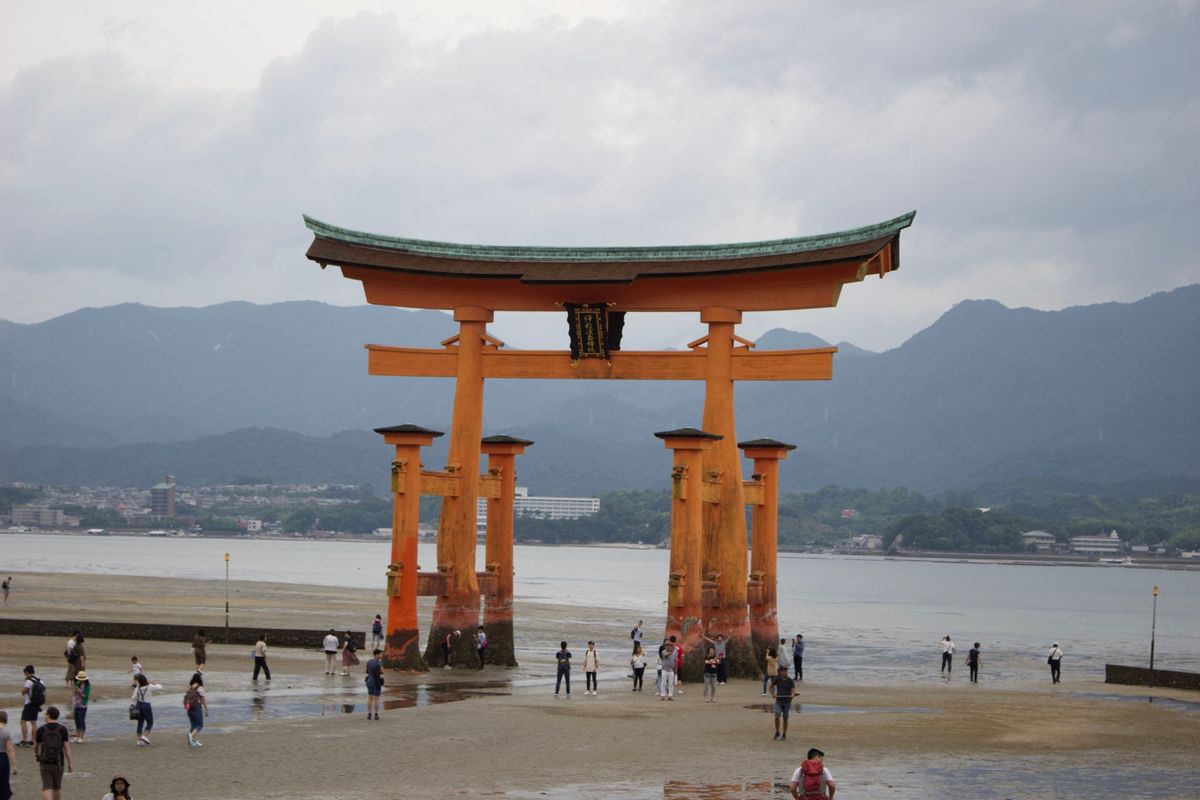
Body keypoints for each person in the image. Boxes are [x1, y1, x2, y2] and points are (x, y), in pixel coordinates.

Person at [35, 706, 73, 800]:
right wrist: (70, 764)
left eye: (45, 714)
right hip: (59, 761)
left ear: (48, 715)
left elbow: (35, 746)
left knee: (46, 786)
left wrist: (37, 754)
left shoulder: (41, 729)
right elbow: (67, 748)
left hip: (45, 761)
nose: (45, 716)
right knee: (57, 786)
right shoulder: (63, 729)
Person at [131, 673, 162, 745]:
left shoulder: (137, 688)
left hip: (138, 705)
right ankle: (144, 736)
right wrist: (153, 683)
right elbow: (160, 687)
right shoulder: (149, 686)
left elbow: (133, 698)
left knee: (140, 722)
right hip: (146, 705)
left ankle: (139, 741)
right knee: (150, 722)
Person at [20, 664, 45, 746]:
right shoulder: (39, 680)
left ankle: (24, 740)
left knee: (23, 721)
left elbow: (23, 692)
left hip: (29, 703)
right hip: (37, 703)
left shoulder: (28, 681)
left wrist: (25, 683)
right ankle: (33, 740)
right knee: (33, 722)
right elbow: (44, 689)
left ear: (27, 672)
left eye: (25, 673)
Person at [771, 665, 796, 740]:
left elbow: (793, 690)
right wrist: (773, 694)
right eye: (783, 671)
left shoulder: (790, 681)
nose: (785, 672)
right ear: (780, 672)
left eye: (786, 671)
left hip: (787, 702)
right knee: (777, 716)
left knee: (785, 718)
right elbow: (770, 687)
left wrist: (792, 694)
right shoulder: (777, 679)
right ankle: (777, 732)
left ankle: (784, 734)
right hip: (778, 701)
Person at [185, 672, 208, 746]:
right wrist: (206, 709)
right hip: (196, 708)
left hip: (189, 708)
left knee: (193, 725)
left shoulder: (189, 688)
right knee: (200, 725)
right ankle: (191, 736)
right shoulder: (200, 688)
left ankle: (192, 741)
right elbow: (203, 700)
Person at [0, 710, 17, 800]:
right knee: (4, 783)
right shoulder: (6, 733)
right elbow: (10, 750)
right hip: (2, 758)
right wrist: (14, 766)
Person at [70, 671, 90, 743]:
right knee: (77, 721)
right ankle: (77, 736)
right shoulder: (77, 683)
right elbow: (74, 694)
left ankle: (81, 737)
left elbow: (86, 697)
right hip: (76, 704)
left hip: (83, 705)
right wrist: (75, 690)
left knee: (81, 721)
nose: (80, 680)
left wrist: (79, 691)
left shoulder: (87, 686)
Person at [365, 648, 384, 720]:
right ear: (377, 655)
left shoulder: (369, 661)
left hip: (369, 681)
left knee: (370, 698)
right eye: (381, 654)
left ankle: (369, 714)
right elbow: (382, 671)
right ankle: (376, 714)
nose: (382, 655)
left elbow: (366, 670)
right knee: (376, 699)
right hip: (376, 682)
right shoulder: (379, 663)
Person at [659, 636, 678, 700]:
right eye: (667, 645)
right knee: (663, 683)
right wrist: (672, 651)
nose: (668, 646)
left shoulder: (675, 653)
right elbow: (666, 655)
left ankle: (670, 695)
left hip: (671, 670)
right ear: (665, 646)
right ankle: (663, 695)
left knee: (671, 683)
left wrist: (676, 669)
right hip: (664, 669)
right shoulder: (663, 652)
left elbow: (675, 661)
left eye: (669, 645)